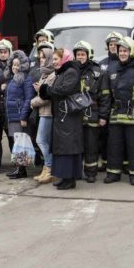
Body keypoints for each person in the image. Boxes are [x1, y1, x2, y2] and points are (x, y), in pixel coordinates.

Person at [101, 37, 134, 185]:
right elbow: (106, 94)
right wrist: (104, 114)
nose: (122, 53)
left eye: (125, 51)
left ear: (131, 52)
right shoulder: (111, 68)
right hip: (116, 115)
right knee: (114, 146)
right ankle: (113, 173)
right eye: (120, 51)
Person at [39, 48, 83, 190]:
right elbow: (58, 90)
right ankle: (64, 177)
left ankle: (69, 179)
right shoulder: (63, 72)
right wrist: (45, 91)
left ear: (64, 59)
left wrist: (46, 89)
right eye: (53, 59)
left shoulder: (71, 72)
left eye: (56, 59)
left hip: (69, 116)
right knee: (62, 147)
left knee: (67, 148)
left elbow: (65, 89)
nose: (54, 62)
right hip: (62, 115)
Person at [74, 41, 109, 183]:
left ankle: (90, 173)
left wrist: (103, 116)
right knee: (76, 145)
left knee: (91, 146)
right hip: (75, 115)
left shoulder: (98, 72)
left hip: (92, 114)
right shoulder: (71, 71)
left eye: (83, 54)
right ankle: (76, 172)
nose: (80, 57)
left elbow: (105, 96)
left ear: (88, 55)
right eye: (78, 54)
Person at [2, 50, 35, 179]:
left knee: (20, 142)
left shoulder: (26, 79)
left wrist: (23, 116)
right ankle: (19, 168)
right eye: (13, 64)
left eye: (18, 65)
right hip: (12, 116)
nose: (15, 67)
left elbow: (28, 98)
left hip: (19, 116)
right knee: (15, 142)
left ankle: (22, 170)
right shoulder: (11, 79)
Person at [98, 31, 125, 172]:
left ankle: (123, 163)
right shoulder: (102, 64)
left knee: (120, 138)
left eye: (116, 44)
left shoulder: (124, 62)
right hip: (104, 106)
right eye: (111, 44)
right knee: (104, 136)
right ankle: (105, 161)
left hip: (118, 106)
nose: (113, 47)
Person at [31, 47, 56, 184]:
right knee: (43, 141)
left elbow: (46, 97)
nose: (41, 60)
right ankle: (47, 169)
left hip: (48, 113)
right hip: (43, 112)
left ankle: (49, 168)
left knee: (41, 140)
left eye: (43, 57)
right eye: (40, 57)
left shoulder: (52, 75)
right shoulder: (44, 74)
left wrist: (33, 102)